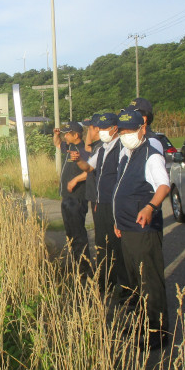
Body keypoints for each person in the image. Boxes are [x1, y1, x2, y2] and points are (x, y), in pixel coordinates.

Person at [113, 109, 170, 350]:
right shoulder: (126, 155)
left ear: (142, 129)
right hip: (126, 229)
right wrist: (118, 221)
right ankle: (141, 323)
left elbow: (163, 186)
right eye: (123, 131)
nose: (126, 135)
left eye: (130, 131)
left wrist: (150, 207)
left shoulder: (151, 155)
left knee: (150, 281)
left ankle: (157, 332)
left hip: (143, 230)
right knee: (135, 281)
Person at [75, 113, 130, 296]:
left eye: (104, 128)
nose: (101, 131)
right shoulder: (102, 149)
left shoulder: (122, 148)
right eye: (99, 127)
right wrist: (78, 161)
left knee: (118, 246)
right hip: (100, 204)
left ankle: (126, 289)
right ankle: (104, 284)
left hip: (114, 204)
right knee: (102, 245)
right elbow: (89, 168)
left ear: (115, 128)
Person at [53, 121, 92, 276]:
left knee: (78, 234)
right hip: (67, 197)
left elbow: (91, 170)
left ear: (76, 135)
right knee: (70, 233)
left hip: (77, 198)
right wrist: (56, 135)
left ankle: (84, 269)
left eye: (67, 133)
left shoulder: (85, 150)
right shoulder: (69, 147)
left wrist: (76, 180)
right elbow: (57, 144)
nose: (65, 136)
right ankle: (76, 263)